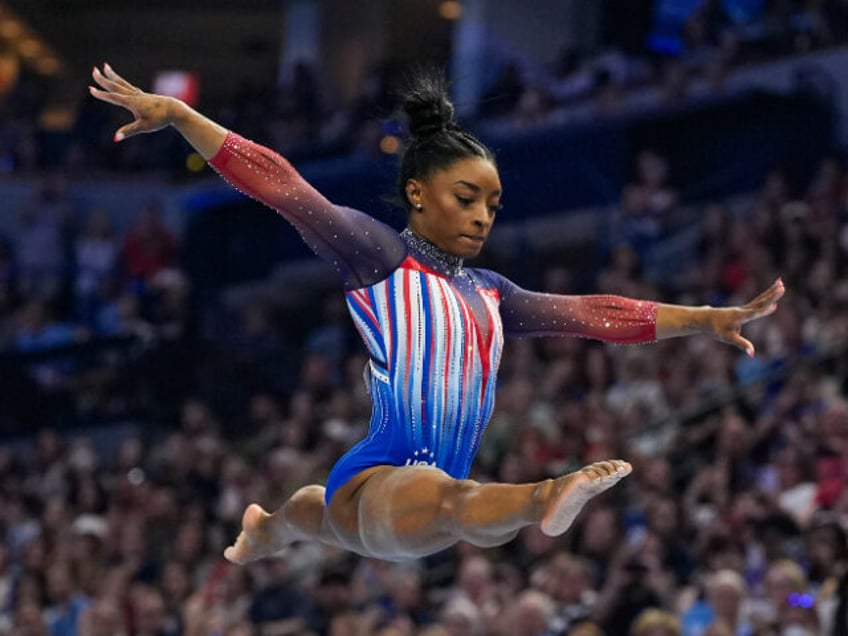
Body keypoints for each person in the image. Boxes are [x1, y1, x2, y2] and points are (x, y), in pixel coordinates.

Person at [89, 63, 785, 563]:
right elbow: (283, 185)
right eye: (466, 197)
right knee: (456, 506)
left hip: (399, 495)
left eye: (491, 204)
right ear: (419, 195)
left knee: (356, 515)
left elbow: (595, 312)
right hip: (387, 474)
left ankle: (268, 528)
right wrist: (181, 116)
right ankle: (544, 495)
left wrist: (703, 319)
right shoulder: (379, 256)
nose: (482, 216)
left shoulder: (494, 294)